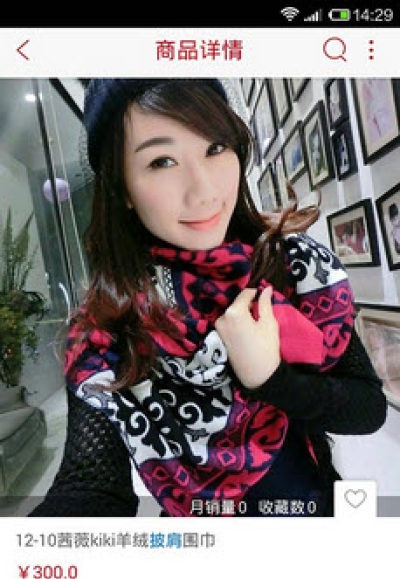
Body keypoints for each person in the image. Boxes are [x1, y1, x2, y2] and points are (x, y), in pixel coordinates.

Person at [30, 78, 387, 518]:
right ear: (122, 189)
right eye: (161, 161)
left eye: (215, 148)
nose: (203, 191)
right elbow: (89, 487)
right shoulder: (106, 326)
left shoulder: (290, 269)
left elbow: (368, 408)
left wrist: (271, 379)